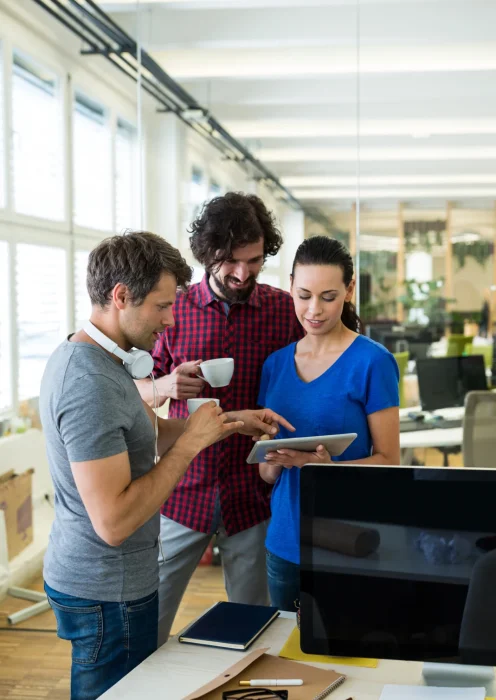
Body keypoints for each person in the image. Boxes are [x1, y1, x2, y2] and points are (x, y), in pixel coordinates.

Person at [40, 231, 289, 700]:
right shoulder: (88, 381)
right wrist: (191, 446)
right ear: (120, 297)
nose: (171, 320)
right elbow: (113, 522)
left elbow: (147, 435)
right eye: (161, 306)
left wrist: (230, 421)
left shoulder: (104, 362)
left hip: (109, 583)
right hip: (104, 592)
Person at [136, 192, 303, 645]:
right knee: (147, 620)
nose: (242, 273)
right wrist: (163, 386)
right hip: (181, 486)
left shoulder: (283, 310)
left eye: (253, 261)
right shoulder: (172, 310)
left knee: (251, 630)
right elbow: (128, 389)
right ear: (206, 254)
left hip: (253, 491)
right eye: (230, 261)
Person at [258, 235, 401, 612]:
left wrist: (329, 470)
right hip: (284, 542)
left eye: (328, 296)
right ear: (289, 287)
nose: (314, 310)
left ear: (349, 290)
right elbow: (267, 476)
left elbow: (389, 462)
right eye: (303, 295)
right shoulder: (274, 365)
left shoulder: (372, 362)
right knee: (286, 658)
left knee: (346, 657)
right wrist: (272, 460)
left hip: (345, 542)